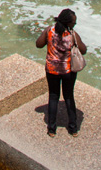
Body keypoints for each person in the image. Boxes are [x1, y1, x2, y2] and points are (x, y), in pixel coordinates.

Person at [36, 8, 87, 137]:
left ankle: (52, 129)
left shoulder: (50, 30)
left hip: (52, 70)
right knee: (69, 97)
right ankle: (73, 128)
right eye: (73, 22)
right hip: (68, 71)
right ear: (68, 23)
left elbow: (38, 44)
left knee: (53, 97)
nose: (75, 24)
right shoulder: (72, 35)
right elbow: (84, 50)